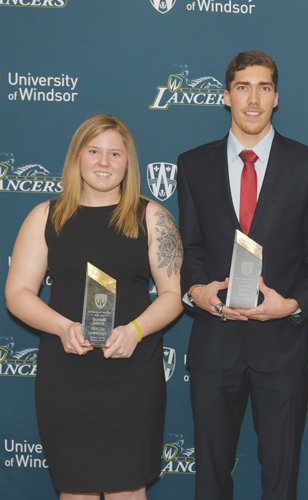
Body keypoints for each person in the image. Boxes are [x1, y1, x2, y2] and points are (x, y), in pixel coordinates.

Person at [177, 50, 308, 500]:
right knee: (209, 479)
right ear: (226, 97)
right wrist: (196, 290)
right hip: (214, 343)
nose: (253, 97)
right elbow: (189, 249)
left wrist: (291, 305)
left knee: (281, 482)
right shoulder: (192, 165)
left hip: (282, 346)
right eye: (243, 87)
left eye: (264, 87)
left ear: (276, 98)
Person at [5, 114, 183, 500]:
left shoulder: (152, 217)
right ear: (77, 158)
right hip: (67, 374)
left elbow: (173, 294)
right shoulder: (45, 216)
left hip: (133, 374)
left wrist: (135, 331)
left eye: (115, 153)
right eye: (94, 151)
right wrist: (61, 326)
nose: (104, 162)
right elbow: (18, 292)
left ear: (128, 162)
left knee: (129, 493)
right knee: (76, 492)